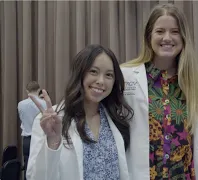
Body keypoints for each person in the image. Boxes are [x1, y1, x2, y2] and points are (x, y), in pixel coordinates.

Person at [121, 3, 198, 180]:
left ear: (183, 37)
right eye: (160, 31)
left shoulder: (192, 83)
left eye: (175, 32)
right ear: (149, 36)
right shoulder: (126, 77)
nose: (167, 38)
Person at [26, 44, 134, 180]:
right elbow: (36, 177)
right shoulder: (51, 120)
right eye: (93, 71)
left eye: (108, 75)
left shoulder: (116, 121)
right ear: (80, 74)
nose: (101, 81)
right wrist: (53, 142)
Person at [17, 81, 46, 180]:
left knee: (27, 167)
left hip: (27, 140)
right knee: (40, 167)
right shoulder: (44, 103)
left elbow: (23, 120)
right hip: (40, 139)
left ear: (26, 91)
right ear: (39, 90)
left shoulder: (21, 104)